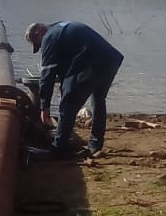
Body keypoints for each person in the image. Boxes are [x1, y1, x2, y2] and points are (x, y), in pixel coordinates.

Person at [25, 21, 124, 157]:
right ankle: (95, 145)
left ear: (38, 32)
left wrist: (45, 107)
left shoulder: (49, 37)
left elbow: (47, 75)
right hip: (110, 59)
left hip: (91, 62)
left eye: (39, 43)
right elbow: (68, 64)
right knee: (99, 100)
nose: (42, 46)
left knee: (68, 104)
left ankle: (59, 149)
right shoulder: (61, 28)